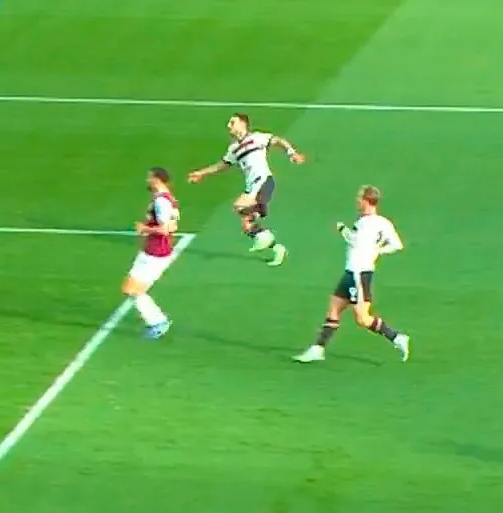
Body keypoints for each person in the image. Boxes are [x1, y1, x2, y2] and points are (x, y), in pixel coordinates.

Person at [296, 185, 410, 363]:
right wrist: (378, 250)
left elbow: (354, 240)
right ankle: (318, 349)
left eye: (359, 198)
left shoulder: (364, 223)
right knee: (334, 308)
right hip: (352, 272)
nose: (357, 201)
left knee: (362, 318)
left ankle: (396, 337)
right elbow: (397, 245)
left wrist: (342, 230)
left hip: (359, 273)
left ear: (366, 201)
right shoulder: (384, 222)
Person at [186, 112, 302, 266]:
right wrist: (201, 173)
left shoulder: (257, 138)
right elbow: (222, 165)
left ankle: (264, 232)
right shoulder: (234, 148)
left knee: (239, 207)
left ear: (243, 124)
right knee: (247, 226)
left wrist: (291, 153)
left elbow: (278, 141)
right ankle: (277, 248)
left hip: (263, 181)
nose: (229, 126)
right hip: (252, 187)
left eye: (232, 122)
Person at [126, 166, 182, 339]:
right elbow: (174, 225)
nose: (147, 180)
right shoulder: (169, 198)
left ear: (157, 179)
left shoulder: (161, 201)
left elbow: (165, 229)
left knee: (131, 289)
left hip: (154, 253)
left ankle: (158, 322)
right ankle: (157, 321)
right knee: (135, 290)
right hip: (158, 251)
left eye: (149, 177)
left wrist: (144, 228)